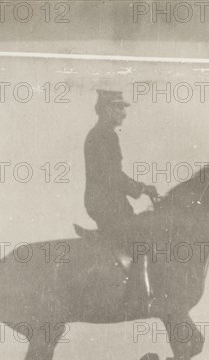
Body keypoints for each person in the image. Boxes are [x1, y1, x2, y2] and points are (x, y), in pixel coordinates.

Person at [84, 89, 158, 312]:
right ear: (107, 109)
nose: (123, 114)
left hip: (108, 203)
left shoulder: (100, 134)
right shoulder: (104, 136)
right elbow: (111, 176)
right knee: (142, 236)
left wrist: (139, 188)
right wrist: (141, 188)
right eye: (119, 108)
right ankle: (138, 296)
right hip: (106, 205)